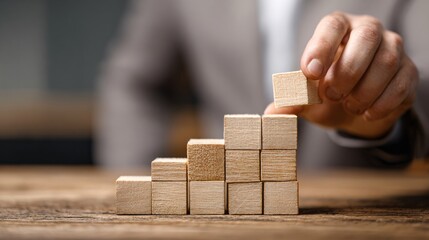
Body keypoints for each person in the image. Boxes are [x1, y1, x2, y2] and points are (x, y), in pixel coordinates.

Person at [96, 0, 429, 169]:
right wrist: (145, 190)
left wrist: (390, 117)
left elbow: (423, 78)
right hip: (225, 208)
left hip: (363, 215)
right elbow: (135, 81)